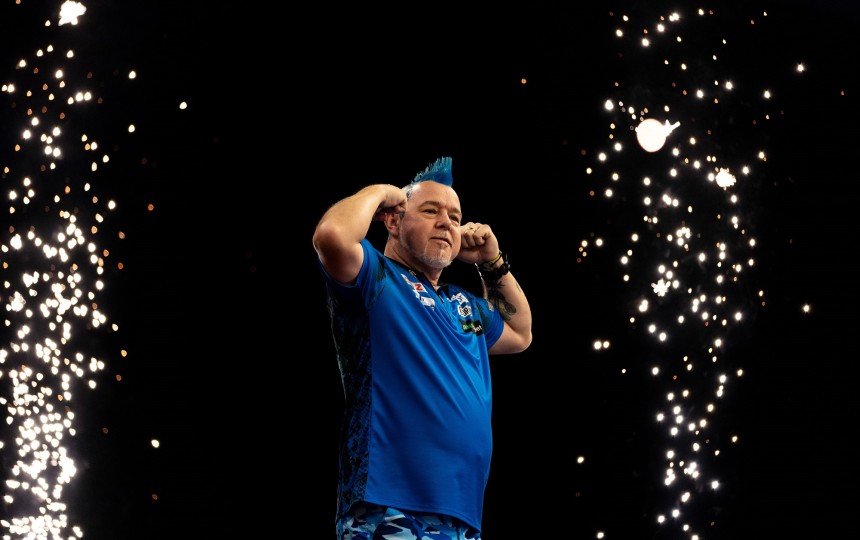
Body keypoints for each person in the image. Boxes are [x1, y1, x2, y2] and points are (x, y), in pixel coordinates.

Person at [312, 156, 533, 539]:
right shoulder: (377, 277)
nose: (447, 222)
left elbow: (520, 332)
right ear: (393, 221)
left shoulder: (463, 304)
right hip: (387, 506)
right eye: (431, 211)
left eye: (455, 216)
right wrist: (382, 192)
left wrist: (491, 262)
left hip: (461, 515)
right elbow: (332, 235)